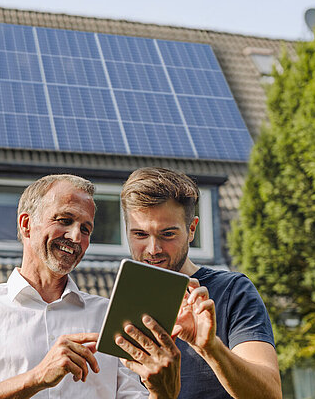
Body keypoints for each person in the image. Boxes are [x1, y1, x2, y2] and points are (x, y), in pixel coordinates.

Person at [0, 174, 178, 399]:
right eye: (64, 220)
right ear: (26, 224)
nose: (76, 236)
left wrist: (162, 391)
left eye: (86, 229)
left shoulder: (109, 316)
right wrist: (36, 379)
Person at [117, 167, 281, 399]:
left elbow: (271, 394)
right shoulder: (119, 302)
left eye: (168, 234)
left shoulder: (233, 291)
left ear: (191, 229)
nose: (153, 250)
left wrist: (210, 348)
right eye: (140, 235)